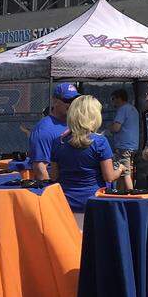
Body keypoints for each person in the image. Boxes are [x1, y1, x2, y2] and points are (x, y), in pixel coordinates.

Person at [51, 95, 123, 229]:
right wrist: (121, 169)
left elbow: (54, 176)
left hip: (65, 203)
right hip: (94, 202)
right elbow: (109, 176)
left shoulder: (58, 142)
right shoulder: (100, 142)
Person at [29, 83, 79, 180]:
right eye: (67, 100)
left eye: (74, 100)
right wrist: (52, 192)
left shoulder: (77, 124)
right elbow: (40, 167)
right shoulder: (44, 129)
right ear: (55, 101)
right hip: (60, 189)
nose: (71, 104)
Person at [107, 89, 140, 191]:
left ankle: (131, 194)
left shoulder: (122, 109)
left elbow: (116, 127)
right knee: (123, 171)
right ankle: (121, 193)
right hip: (133, 146)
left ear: (119, 98)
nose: (112, 102)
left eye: (113, 99)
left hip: (124, 147)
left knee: (125, 173)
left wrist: (109, 128)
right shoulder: (133, 109)